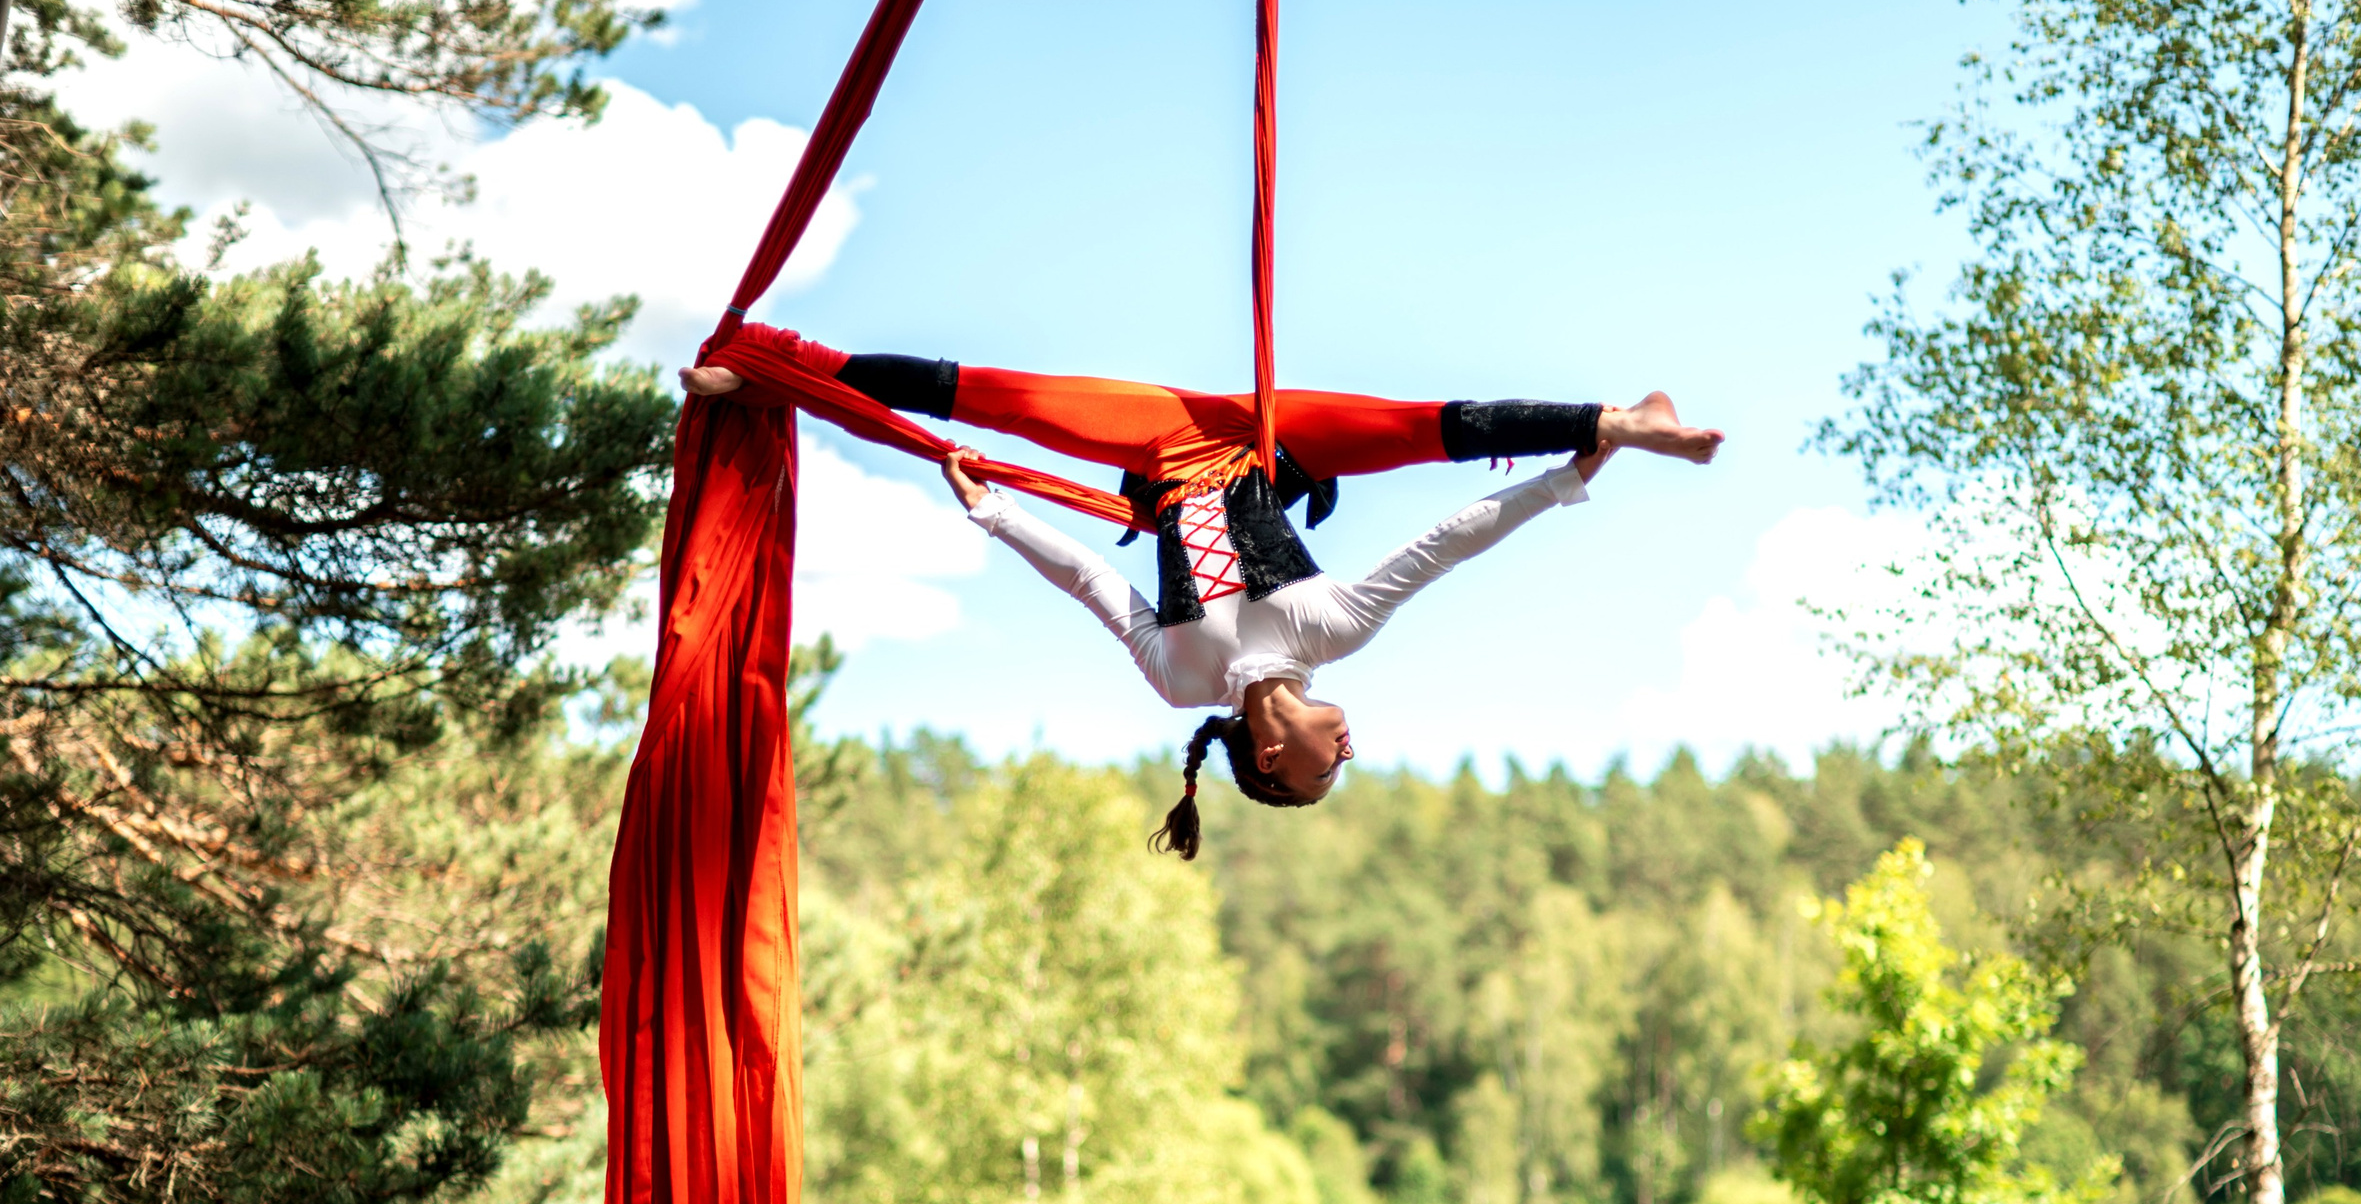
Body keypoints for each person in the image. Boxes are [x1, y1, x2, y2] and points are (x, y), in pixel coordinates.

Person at [676, 349, 1721, 856]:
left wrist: (993, 514)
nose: (1345, 754)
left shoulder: (1182, 681)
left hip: (1166, 453)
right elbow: (1449, 541)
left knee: (994, 399)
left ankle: (772, 373)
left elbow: (1095, 584)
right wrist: (1567, 476)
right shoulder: (1333, 633)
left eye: (1322, 775)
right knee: (1416, 429)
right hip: (1276, 440)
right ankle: (1618, 423)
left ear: (1269, 760)